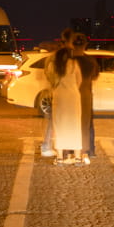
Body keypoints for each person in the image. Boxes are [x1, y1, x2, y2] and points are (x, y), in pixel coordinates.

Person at [46, 34, 96, 166]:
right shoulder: (74, 64)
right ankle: (78, 158)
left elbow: (50, 80)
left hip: (59, 97)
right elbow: (79, 81)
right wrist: (72, 87)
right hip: (73, 97)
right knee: (75, 126)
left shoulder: (54, 66)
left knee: (60, 127)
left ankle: (60, 158)